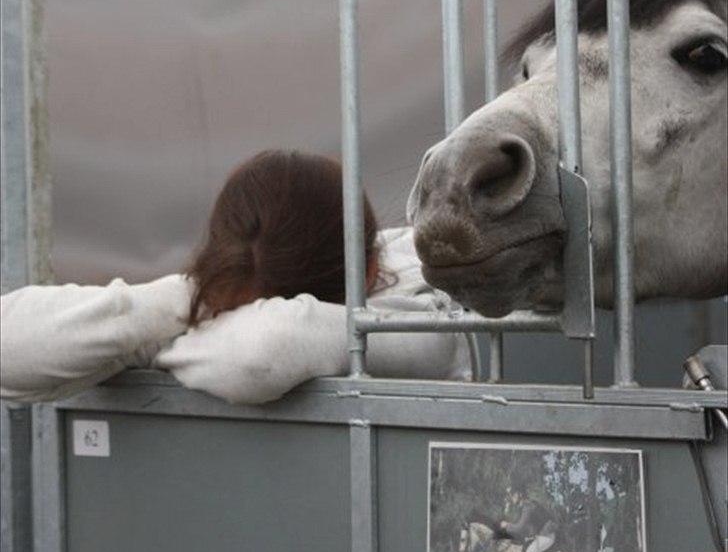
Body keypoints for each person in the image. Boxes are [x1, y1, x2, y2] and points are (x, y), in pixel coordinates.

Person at [1, 150, 470, 405]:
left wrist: (168, 334)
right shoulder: (207, 306)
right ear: (367, 268)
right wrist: (186, 301)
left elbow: (262, 351)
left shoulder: (421, 312)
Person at [496, 476, 559, 552]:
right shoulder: (525, 506)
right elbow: (522, 529)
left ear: (519, 494)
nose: (511, 498)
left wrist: (506, 525)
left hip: (547, 536)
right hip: (540, 535)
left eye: (512, 495)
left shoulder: (528, 507)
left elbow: (519, 528)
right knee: (524, 548)